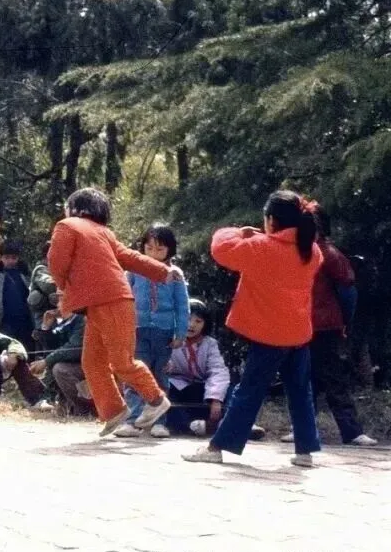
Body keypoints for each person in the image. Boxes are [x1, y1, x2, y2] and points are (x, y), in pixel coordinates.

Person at [183, 190, 324, 467]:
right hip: (299, 334)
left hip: (270, 335)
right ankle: (305, 452)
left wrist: (240, 232)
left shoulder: (261, 247)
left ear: (271, 220)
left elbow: (220, 248)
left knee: (248, 391)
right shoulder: (313, 251)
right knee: (300, 392)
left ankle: (217, 447)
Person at [47, 188, 179, 437]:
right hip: (106, 302)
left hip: (110, 300)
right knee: (93, 362)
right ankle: (114, 410)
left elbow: (56, 261)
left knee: (121, 361)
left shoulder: (67, 225)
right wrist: (162, 271)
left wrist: (62, 286)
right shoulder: (103, 232)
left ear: (75, 208)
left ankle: (155, 399)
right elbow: (128, 256)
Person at [282, 208, 378, 446]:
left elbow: (348, 290)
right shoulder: (297, 252)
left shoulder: (329, 253)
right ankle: (302, 428)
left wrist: (344, 321)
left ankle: (351, 431)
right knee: (303, 378)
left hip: (325, 327)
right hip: (301, 324)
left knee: (334, 378)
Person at [115, 224, 190, 438]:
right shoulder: (133, 271)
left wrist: (180, 333)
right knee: (136, 374)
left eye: (160, 249)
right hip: (138, 330)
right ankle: (132, 421)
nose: (154, 254)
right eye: (149, 248)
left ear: (169, 250)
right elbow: (124, 298)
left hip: (164, 333)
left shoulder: (175, 274)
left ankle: (159, 422)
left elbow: (182, 306)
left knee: (160, 375)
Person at [162, 300, 231, 436]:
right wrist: (166, 365)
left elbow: (217, 371)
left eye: (198, 321)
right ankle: (190, 426)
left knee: (230, 390)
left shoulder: (210, 344)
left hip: (203, 389)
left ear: (205, 324)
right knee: (167, 394)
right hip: (179, 387)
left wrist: (216, 399)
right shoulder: (169, 339)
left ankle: (236, 424)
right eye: (187, 319)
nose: (191, 325)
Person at [28, 290, 91, 417]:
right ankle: (61, 402)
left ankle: (87, 409)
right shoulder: (64, 322)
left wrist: (46, 362)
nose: (57, 304)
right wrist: (45, 327)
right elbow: (52, 349)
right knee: (55, 366)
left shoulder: (82, 320)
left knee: (60, 369)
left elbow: (73, 349)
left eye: (61, 299)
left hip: (91, 366)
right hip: (79, 365)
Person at [0, 239, 35, 350]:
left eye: (14, 258)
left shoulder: (25, 273)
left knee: (26, 349)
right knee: (6, 349)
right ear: (1, 257)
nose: (10, 261)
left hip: (25, 319)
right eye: (6, 258)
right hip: (3, 321)